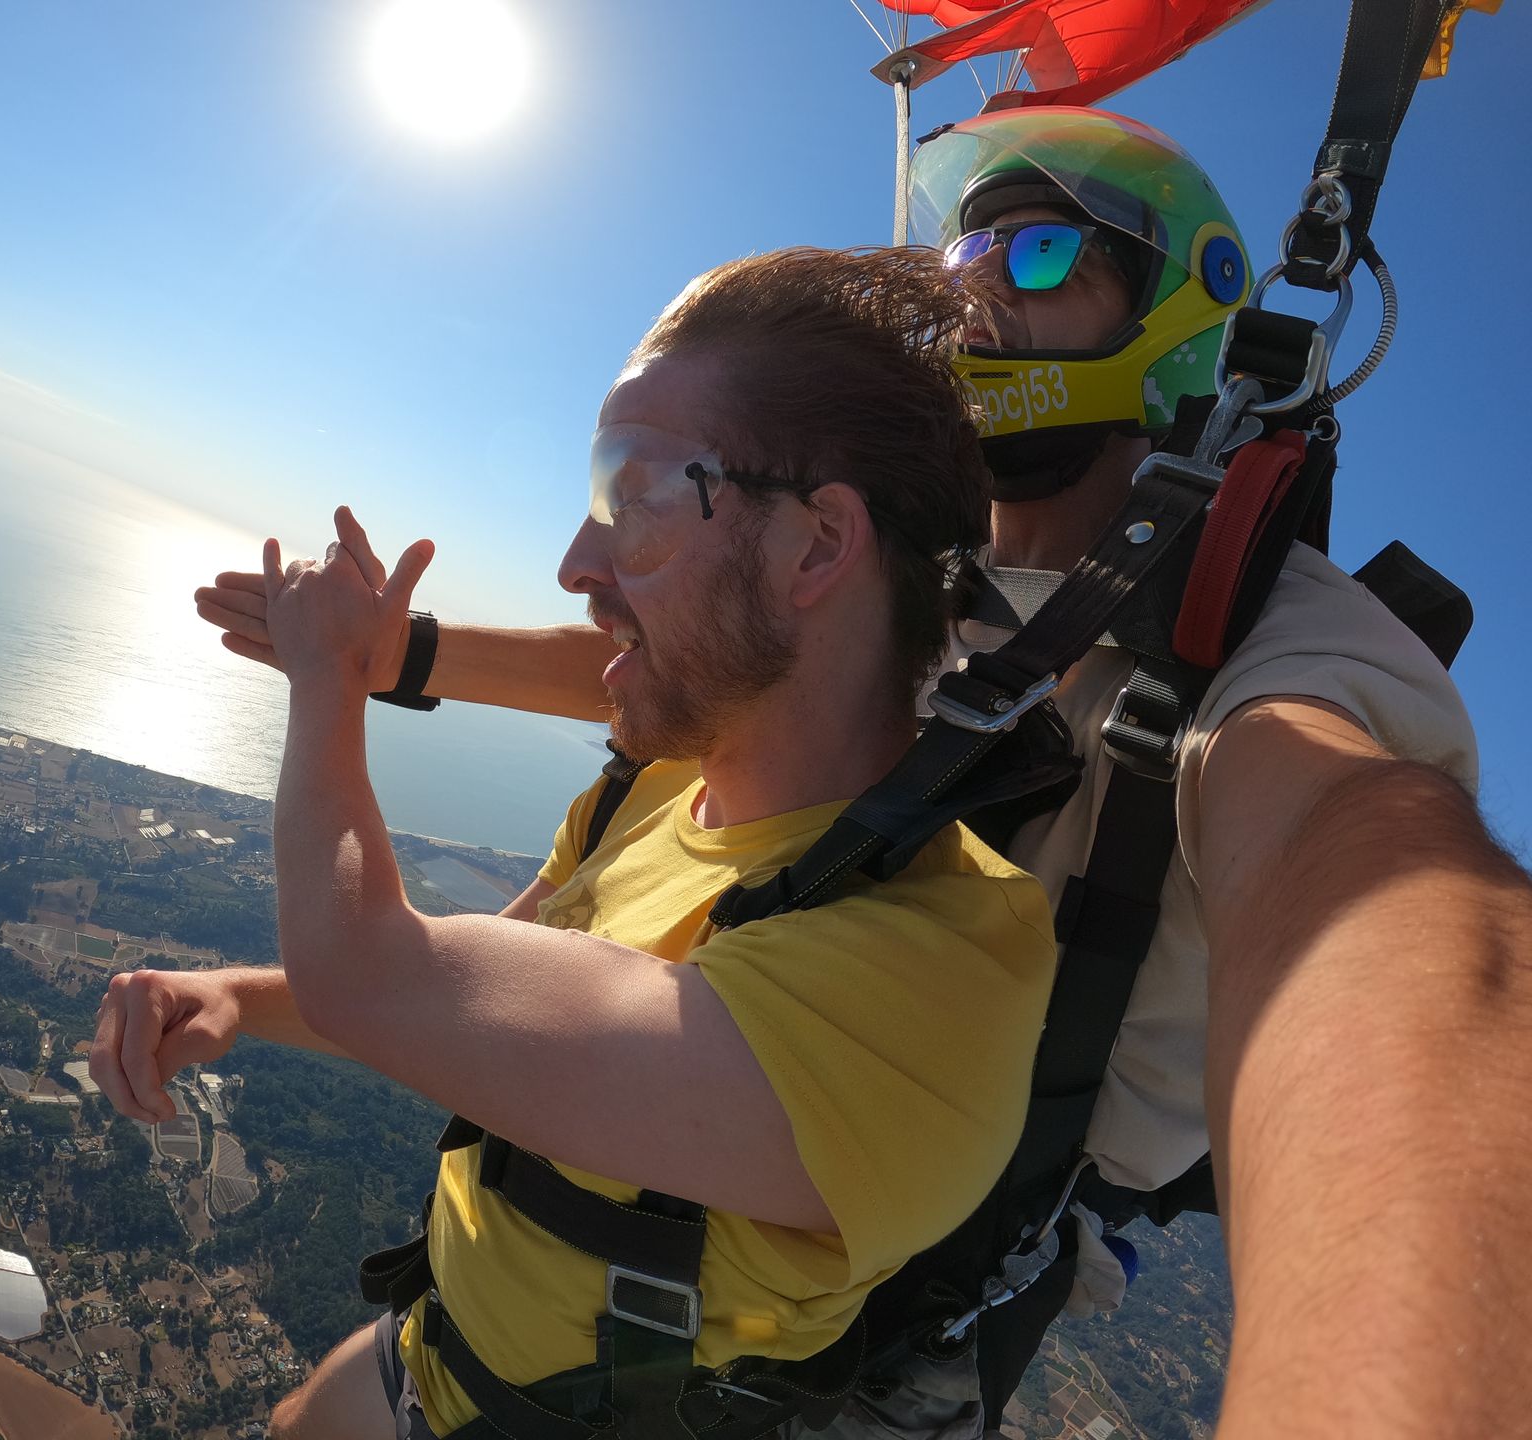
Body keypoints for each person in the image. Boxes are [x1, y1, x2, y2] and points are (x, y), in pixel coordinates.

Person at [196, 109, 1532, 1439]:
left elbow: (1367, 884)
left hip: (898, 1147)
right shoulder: (937, 584)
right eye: (967, 263)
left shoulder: (1259, 633)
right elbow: (706, 650)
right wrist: (409, 654)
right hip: (676, 1174)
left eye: (1047, 255)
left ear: (1182, 314)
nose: (984, 294)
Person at [92, 247, 1063, 1440]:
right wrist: (238, 995)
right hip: (431, 1354)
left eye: (639, 494)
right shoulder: (657, 791)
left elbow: (372, 971)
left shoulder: (928, 980)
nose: (576, 564)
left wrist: (329, 679)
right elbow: (449, 988)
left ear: (818, 547)